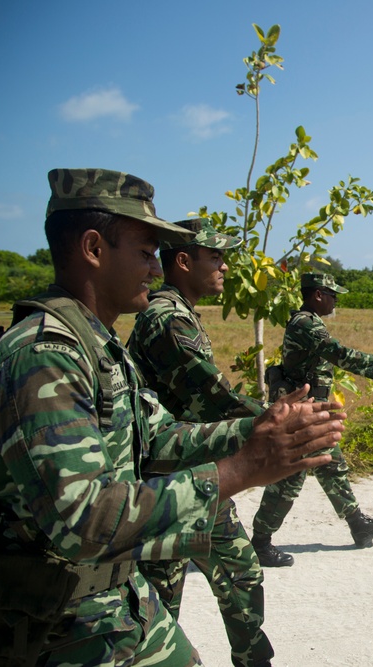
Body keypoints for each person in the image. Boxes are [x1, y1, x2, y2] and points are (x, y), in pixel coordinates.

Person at [0, 168, 345, 666]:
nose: (156, 269)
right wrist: (244, 468)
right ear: (94, 249)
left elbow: (156, 436)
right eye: (145, 253)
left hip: (109, 603)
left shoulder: (96, 344)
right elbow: (82, 520)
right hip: (51, 623)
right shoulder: (42, 356)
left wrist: (259, 432)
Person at [127, 218, 274, 666]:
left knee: (241, 574)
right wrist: (278, 420)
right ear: (184, 261)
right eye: (216, 257)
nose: (226, 267)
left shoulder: (178, 312)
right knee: (160, 603)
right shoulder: (166, 318)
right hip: (169, 488)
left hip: (199, 477)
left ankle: (253, 659)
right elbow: (213, 398)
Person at [250, 272, 373, 565]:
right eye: (332, 294)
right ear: (317, 294)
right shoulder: (305, 323)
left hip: (311, 411)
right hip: (300, 415)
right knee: (289, 477)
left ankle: (358, 525)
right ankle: (260, 543)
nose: (335, 300)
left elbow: (330, 355)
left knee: (331, 465)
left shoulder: (311, 322)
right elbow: (337, 353)